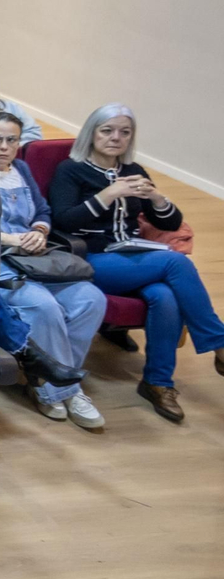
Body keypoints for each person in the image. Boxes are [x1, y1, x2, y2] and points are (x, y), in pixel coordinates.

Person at [49, 104, 224, 423]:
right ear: (92, 133)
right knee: (174, 264)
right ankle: (219, 343)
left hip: (133, 257)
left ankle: (158, 383)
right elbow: (63, 221)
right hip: (91, 259)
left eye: (124, 132)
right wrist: (108, 194)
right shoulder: (70, 170)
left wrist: (158, 199)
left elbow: (170, 224)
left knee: (165, 296)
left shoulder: (135, 171)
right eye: (107, 130)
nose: (116, 138)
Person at [0, 113, 106, 427]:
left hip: (35, 258)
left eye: (12, 140)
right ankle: (57, 391)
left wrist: (39, 230)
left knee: (91, 299)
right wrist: (11, 238)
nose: (4, 146)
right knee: (44, 306)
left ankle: (59, 383)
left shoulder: (21, 170)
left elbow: (42, 211)